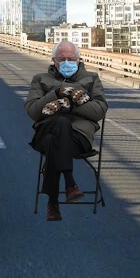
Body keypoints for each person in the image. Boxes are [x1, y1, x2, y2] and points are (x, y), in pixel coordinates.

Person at [25, 40, 108, 222]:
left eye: (71, 58)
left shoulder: (91, 78)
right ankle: (70, 183)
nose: (67, 62)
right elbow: (32, 111)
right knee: (59, 125)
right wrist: (56, 93)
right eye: (62, 59)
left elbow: (99, 111)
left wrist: (69, 105)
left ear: (78, 59)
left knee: (54, 140)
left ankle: (53, 204)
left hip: (78, 138)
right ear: (54, 61)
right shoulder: (40, 79)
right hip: (45, 131)